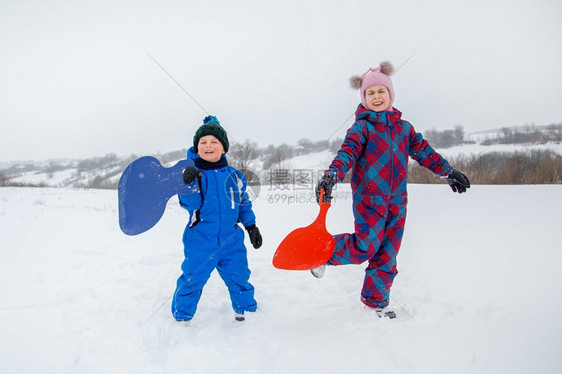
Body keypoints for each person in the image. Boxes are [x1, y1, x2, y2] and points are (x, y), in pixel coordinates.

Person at [314, 61, 470, 319]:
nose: (376, 97)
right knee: (366, 246)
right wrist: (332, 175)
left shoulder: (404, 129)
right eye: (370, 93)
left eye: (381, 91)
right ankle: (323, 253)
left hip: (397, 201)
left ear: (390, 94)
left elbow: (425, 153)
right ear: (364, 99)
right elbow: (347, 154)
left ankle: (376, 301)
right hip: (369, 199)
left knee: (388, 253)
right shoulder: (361, 128)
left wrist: (448, 172)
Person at [172, 115, 263, 324]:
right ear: (197, 148)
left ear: (223, 148)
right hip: (201, 239)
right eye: (203, 142)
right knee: (192, 279)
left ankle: (247, 314)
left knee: (240, 277)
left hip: (232, 240)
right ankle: (181, 318)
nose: (208, 145)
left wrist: (251, 226)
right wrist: (187, 185)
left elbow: (243, 203)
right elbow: (190, 205)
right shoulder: (193, 174)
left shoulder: (235, 176)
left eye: (214, 142)